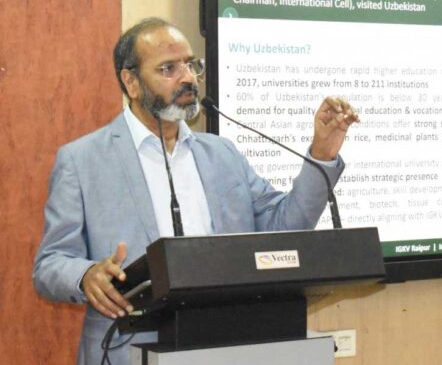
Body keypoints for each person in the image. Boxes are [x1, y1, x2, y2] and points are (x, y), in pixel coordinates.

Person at [32, 18, 360, 365]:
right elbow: (50, 264)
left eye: (191, 64)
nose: (188, 77)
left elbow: (284, 228)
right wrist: (86, 276)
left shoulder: (222, 153)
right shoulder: (82, 160)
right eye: (168, 68)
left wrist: (322, 154)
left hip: (228, 345)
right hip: (129, 349)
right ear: (131, 82)